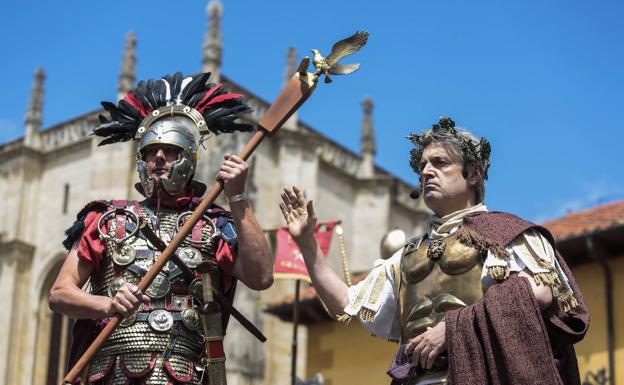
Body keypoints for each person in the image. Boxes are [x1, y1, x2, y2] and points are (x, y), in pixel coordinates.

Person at [279, 116, 589, 385]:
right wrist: (307, 243)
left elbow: (542, 292)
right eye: (423, 165)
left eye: (440, 163)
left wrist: (451, 330)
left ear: (473, 174)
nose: (426, 171)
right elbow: (346, 303)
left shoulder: (506, 233)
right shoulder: (409, 254)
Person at [49, 72, 273, 384]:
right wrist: (107, 303)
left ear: (189, 159)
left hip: (184, 374)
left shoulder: (214, 223)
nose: (158, 157)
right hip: (110, 372)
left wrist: (237, 197)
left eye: (170, 150)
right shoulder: (105, 219)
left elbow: (261, 277)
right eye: (149, 150)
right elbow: (60, 293)